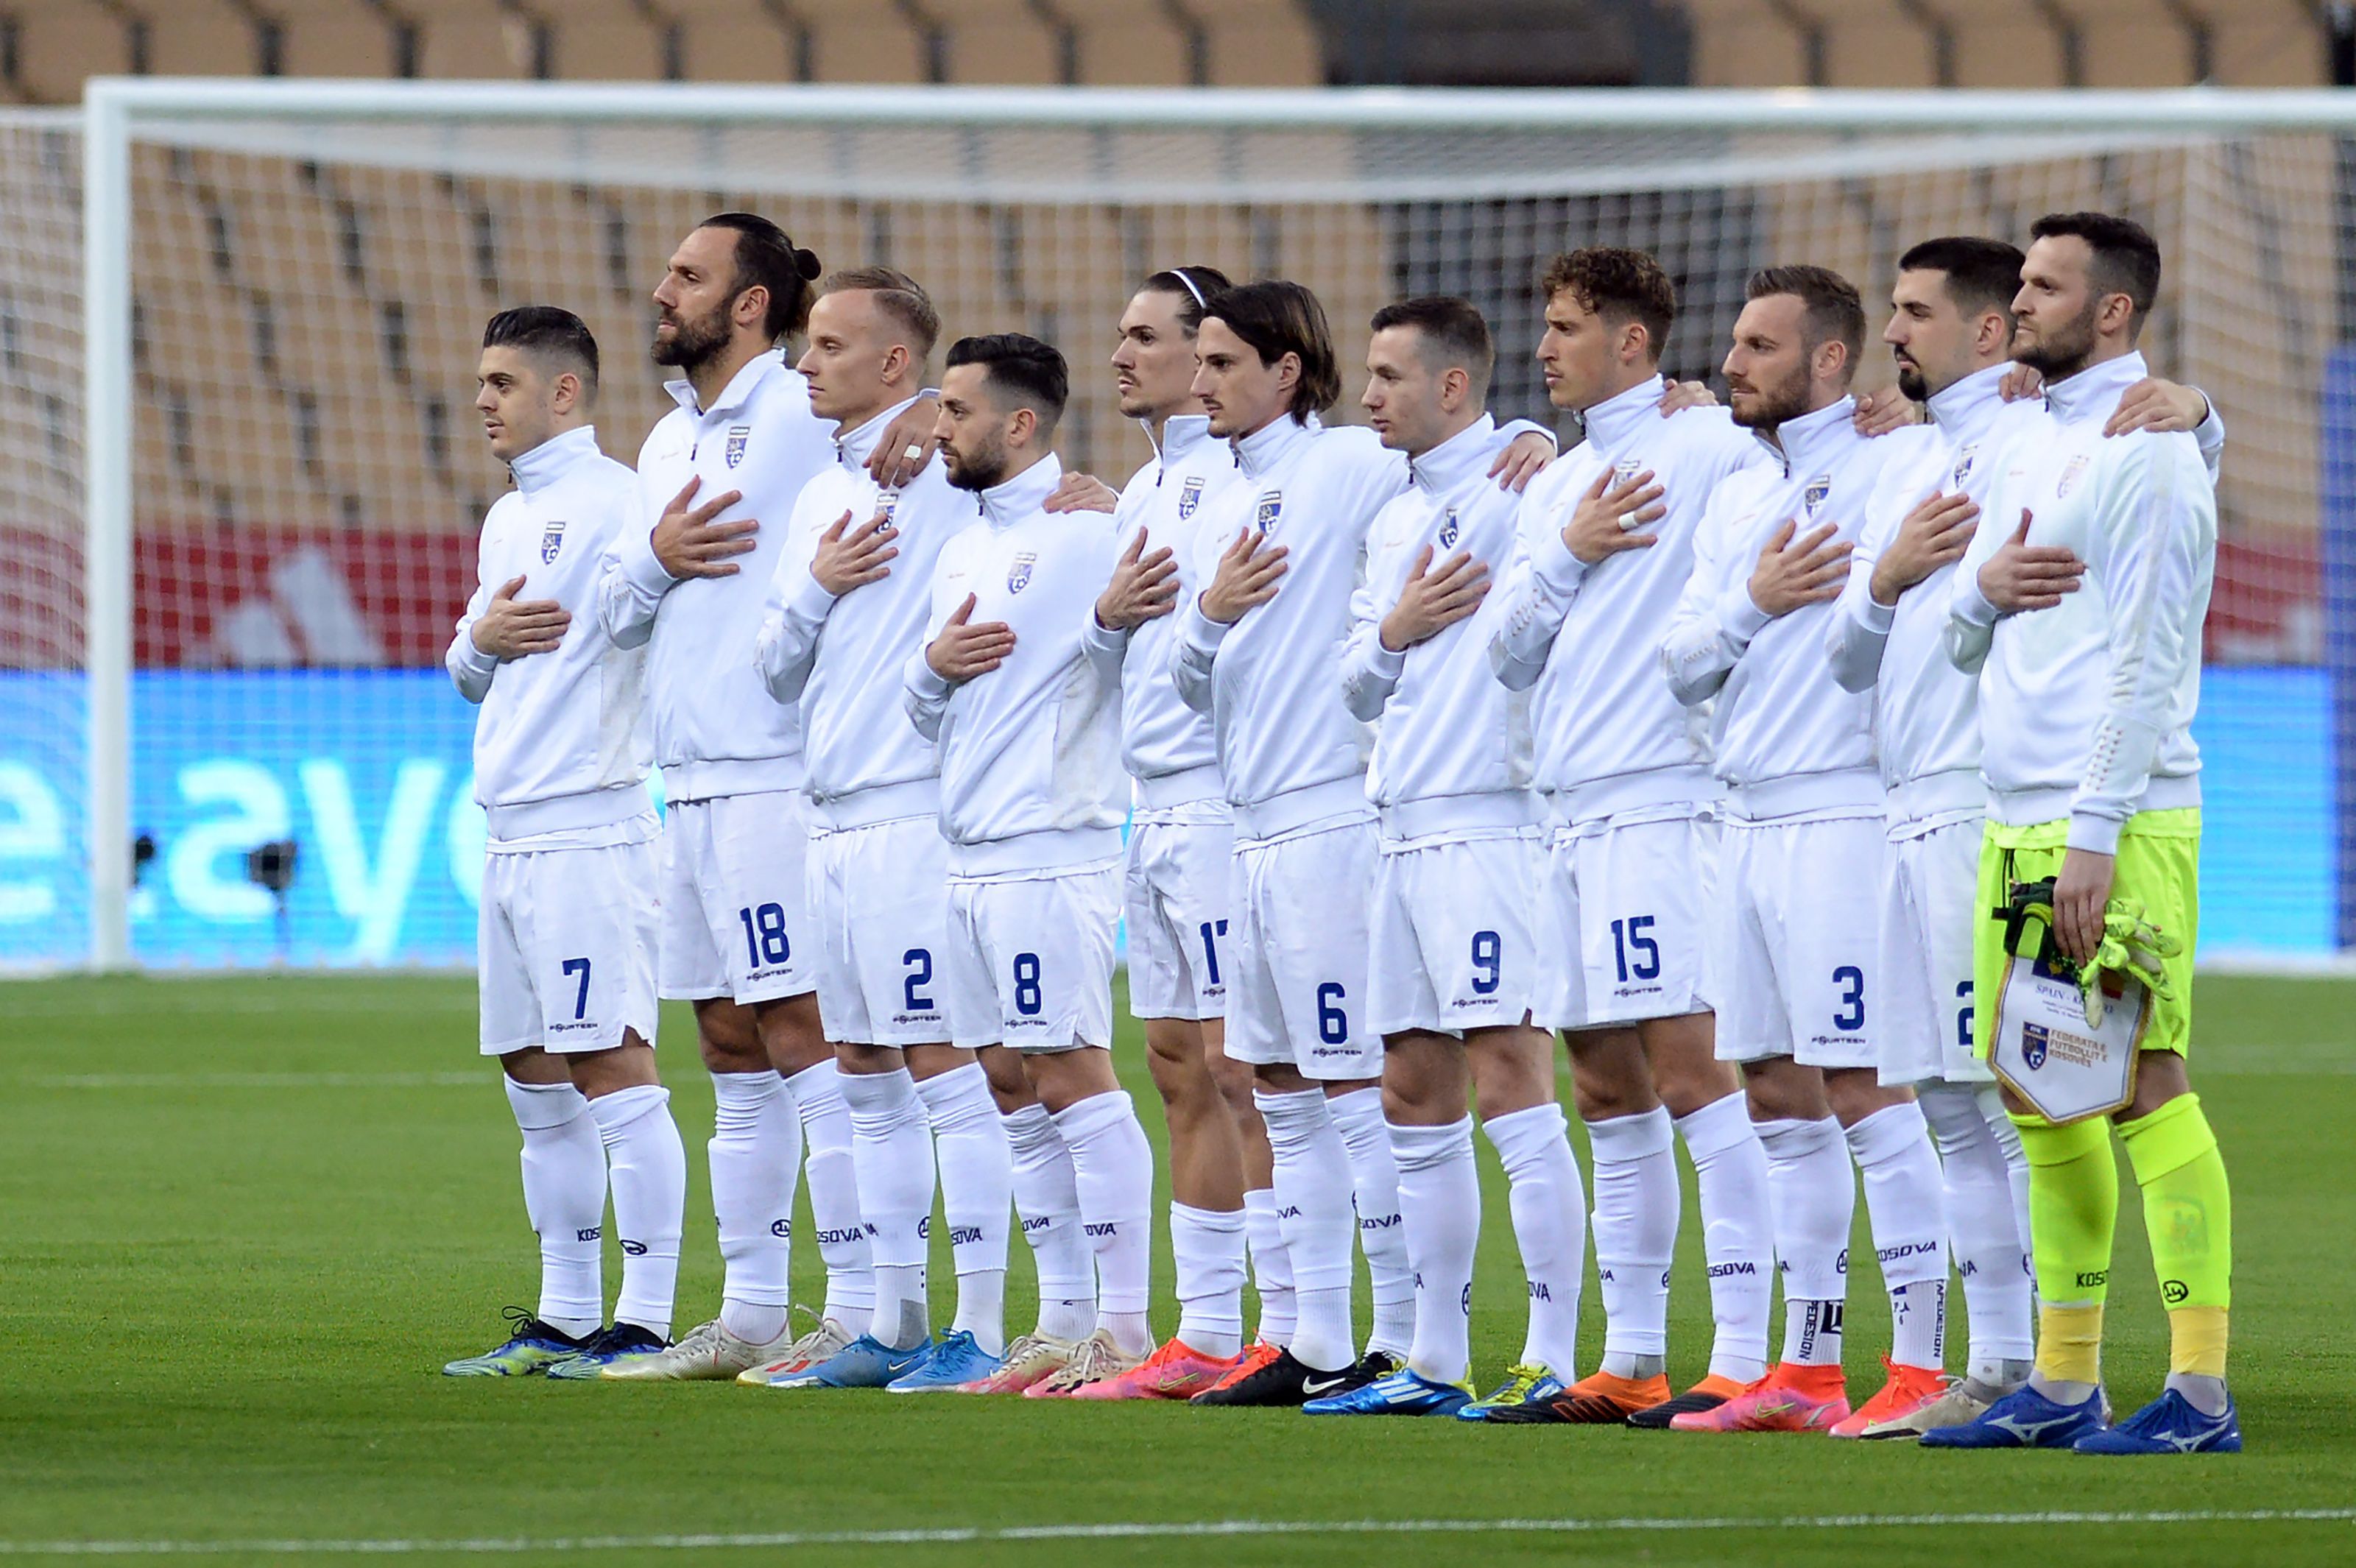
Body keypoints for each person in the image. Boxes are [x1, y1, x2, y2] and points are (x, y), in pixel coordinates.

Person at [1175, 280, 1556, 1406]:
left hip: (1338, 822)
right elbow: (1192, 677)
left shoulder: (1346, 465)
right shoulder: (1224, 495)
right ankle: (1318, 1338)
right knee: (1276, 1082)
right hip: (1252, 828)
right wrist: (1210, 610)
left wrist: (1538, 437)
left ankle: (1396, 1336)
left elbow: (1488, 458)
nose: (1200, 382)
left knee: (1362, 1082)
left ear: (1285, 372)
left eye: (1220, 362)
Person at [595, 214, 929, 1382]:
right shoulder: (665, 442)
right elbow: (614, 611)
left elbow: (921, 411)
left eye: (687, 275)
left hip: (776, 775)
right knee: (728, 1039)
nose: (660, 290)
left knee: (804, 1031)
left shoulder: (799, 407)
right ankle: (749, 1313)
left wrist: (936, 417)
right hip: (685, 781)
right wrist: (655, 557)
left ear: (749, 303)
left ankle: (858, 1304)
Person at [1928, 213, 2235, 1455]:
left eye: (2046, 286)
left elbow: (2150, 663)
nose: (2021, 302)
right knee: (2041, 1093)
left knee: (2142, 1081)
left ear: (2112, 311)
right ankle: (2064, 1381)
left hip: (2113, 821)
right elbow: (1969, 628)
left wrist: (2097, 835)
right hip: (2016, 814)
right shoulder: (2030, 439)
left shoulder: (2151, 453)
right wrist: (1977, 592)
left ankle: (2201, 1392)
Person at [1487, 247, 1782, 1427]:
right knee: (1605, 1087)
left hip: (1663, 803)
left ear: (1632, 340)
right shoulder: (1556, 482)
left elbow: (1808, 477)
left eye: (1565, 327)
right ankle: (1634, 1358)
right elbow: (1508, 649)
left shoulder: (1710, 446)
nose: (1544, 348)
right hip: (1564, 819)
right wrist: (1571, 547)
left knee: (1695, 1073)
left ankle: (1747, 1353)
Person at [747, 266, 1054, 1392]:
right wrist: (819, 585)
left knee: (943, 1066)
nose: (804, 362)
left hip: (917, 815)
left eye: (829, 345)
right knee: (866, 1070)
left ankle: (978, 1325)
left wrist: (934, 413)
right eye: (807, 344)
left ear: (895, 363)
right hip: (831, 822)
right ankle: (892, 1319)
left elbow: (1044, 471)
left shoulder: (948, 469)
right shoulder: (821, 498)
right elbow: (775, 663)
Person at [1660, 266, 1950, 1435]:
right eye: (1735, 343)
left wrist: (2008, 387)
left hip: (1843, 815)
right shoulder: (1739, 491)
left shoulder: (1903, 460)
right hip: (1742, 823)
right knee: (1777, 1094)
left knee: (1865, 1085)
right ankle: (1809, 1366)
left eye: (1759, 346)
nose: (1732, 363)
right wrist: (1755, 601)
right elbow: (1683, 662)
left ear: (1831, 360)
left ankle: (1923, 1363)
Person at [1301, 296, 1587, 1419]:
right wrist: (1397, 626)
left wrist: (1541, 440)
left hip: (1491, 826)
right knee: (1410, 1086)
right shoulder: (1393, 514)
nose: (1367, 396)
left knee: (1512, 1074)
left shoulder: (1527, 485)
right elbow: (1354, 682)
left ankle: (1552, 1353)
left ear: (1455, 386)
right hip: (1402, 827)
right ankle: (1435, 1356)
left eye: (1388, 376)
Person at [904, 333, 1161, 1397]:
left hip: (1051, 850)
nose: (937, 429)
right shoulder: (962, 549)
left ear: (1019, 424)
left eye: (956, 411)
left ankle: (1127, 1327)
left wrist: (1123, 512)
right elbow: (924, 710)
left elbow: (1147, 622)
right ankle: (1058, 1321)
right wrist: (932, 667)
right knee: (1008, 1083)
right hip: (967, 853)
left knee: (1069, 1073)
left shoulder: (1093, 530)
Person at [441, 306, 680, 1380]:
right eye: (482, 382)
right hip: (510, 834)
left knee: (612, 1066)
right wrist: (478, 638)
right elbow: (469, 667)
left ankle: (647, 1316)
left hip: (592, 826)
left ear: (564, 391)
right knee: (534, 1081)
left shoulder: (623, 503)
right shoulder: (508, 516)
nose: (482, 401)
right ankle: (567, 1313)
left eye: (502, 382)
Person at [1068, 266, 1274, 1401]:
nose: (1121, 354)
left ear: (1208, 353)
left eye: (1146, 336)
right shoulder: (1142, 492)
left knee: (1247, 1071)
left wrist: (1525, 440)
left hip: (1227, 802)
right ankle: (1202, 1330)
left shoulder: (1247, 474)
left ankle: (1289, 1324)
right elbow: (1111, 661)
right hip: (1152, 807)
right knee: (1179, 1067)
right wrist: (1107, 614)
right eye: (1122, 333)